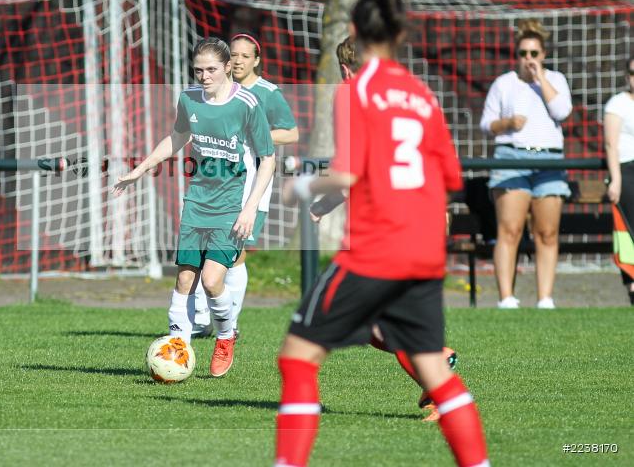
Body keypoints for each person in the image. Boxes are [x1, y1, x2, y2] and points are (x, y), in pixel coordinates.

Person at [275, 0, 488, 467]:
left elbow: (348, 172)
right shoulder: (421, 95)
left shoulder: (356, 91)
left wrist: (301, 188)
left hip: (378, 248)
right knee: (434, 370)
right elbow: (448, 176)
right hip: (424, 251)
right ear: (401, 32)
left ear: (354, 30)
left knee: (296, 358)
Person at [290, 35, 458, 423]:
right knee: (371, 324)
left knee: (317, 327)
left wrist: (309, 191)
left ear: (346, 69)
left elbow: (350, 170)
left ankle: (439, 384)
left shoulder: (351, 95)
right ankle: (439, 375)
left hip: (383, 230)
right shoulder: (410, 95)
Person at [114, 37, 275, 377]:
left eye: (211, 69)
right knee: (186, 277)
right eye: (198, 70)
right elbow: (177, 136)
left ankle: (226, 335)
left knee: (213, 280)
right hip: (197, 200)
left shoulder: (247, 103)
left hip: (232, 203)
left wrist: (250, 208)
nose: (204, 76)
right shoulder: (188, 98)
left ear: (228, 67)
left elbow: (269, 159)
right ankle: (178, 348)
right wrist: (141, 169)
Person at [191, 32, 299, 338]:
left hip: (252, 184)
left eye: (244, 56)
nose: (238, 60)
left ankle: (229, 321)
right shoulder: (219, 91)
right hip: (216, 183)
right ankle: (201, 318)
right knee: (203, 248)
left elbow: (291, 133)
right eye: (233, 55)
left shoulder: (266, 93)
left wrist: (254, 133)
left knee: (235, 252)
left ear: (257, 61)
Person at [480, 19, 572, 309]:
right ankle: (506, 298)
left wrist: (540, 79)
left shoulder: (555, 80)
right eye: (523, 54)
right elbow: (486, 124)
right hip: (512, 157)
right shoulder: (504, 84)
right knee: (509, 229)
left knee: (547, 232)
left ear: (543, 55)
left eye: (534, 53)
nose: (528, 59)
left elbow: (562, 110)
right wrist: (507, 123)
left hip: (548, 158)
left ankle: (545, 298)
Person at [603, 56, 634, 305]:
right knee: (629, 232)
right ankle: (632, 282)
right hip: (627, 171)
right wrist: (616, 179)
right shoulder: (618, 104)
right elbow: (611, 144)